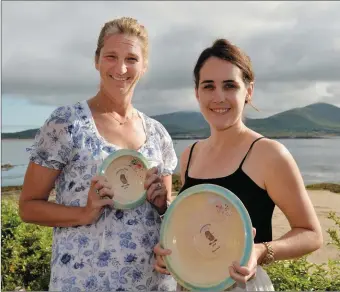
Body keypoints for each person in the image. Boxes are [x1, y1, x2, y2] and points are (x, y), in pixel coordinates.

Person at [19, 17, 178, 292]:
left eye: (131, 58)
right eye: (111, 57)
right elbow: (28, 206)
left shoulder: (158, 133)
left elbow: (168, 215)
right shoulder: (66, 123)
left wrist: (163, 203)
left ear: (144, 66)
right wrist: (85, 212)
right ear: (97, 60)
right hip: (82, 282)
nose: (121, 68)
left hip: (152, 283)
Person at [153, 39, 323, 291]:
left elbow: (311, 234)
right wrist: (170, 249)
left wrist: (259, 252)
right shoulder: (191, 154)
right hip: (189, 285)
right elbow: (198, 228)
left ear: (249, 91)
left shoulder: (269, 154)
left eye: (230, 85)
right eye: (208, 86)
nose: (219, 97)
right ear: (197, 93)